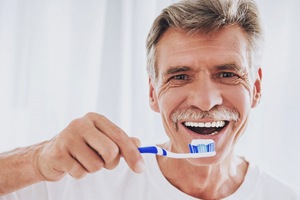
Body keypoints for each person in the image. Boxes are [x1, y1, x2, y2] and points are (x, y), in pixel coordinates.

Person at [1, 0, 299, 199]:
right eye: (180, 76)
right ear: (153, 93)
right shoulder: (84, 180)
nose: (206, 102)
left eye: (227, 74)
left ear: (256, 87)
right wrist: (37, 162)